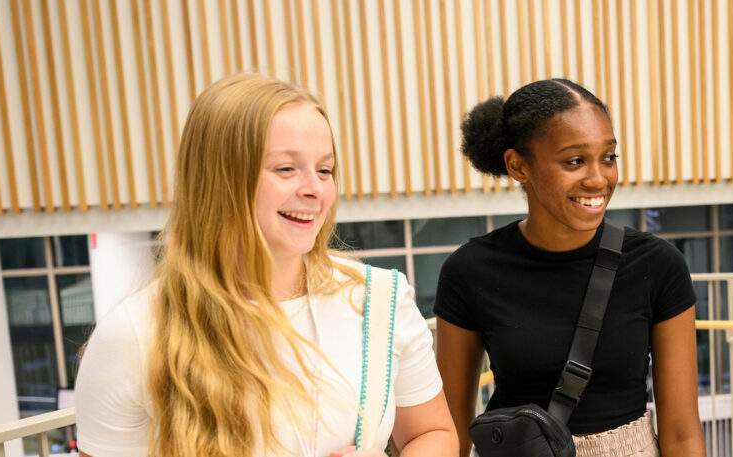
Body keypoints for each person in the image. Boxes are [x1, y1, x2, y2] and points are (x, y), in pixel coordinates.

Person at [73, 73, 455, 457]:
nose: (315, 189)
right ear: (220, 180)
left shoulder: (380, 299)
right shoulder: (136, 333)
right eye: (286, 169)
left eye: (325, 170)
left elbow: (433, 433)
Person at [432, 78, 705, 457]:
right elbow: (450, 430)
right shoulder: (470, 271)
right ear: (518, 166)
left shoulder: (658, 265)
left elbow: (682, 434)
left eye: (608, 157)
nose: (598, 178)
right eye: (575, 161)